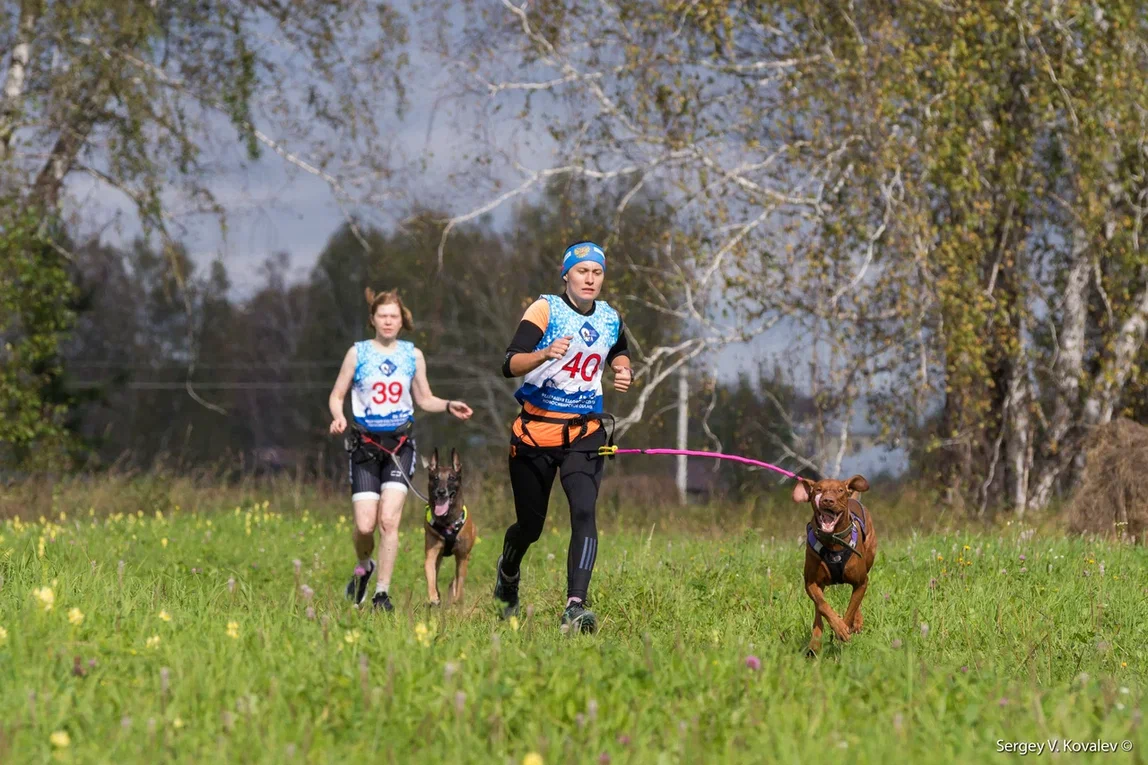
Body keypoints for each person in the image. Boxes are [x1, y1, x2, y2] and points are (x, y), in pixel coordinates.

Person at [493, 241, 633, 633]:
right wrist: (544, 353)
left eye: (597, 272)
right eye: (582, 271)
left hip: (585, 432)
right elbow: (509, 363)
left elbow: (618, 349)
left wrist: (623, 369)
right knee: (530, 527)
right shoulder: (546, 310)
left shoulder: (609, 317)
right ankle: (508, 571)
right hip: (536, 435)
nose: (590, 279)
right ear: (566, 274)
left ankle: (575, 607)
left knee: (585, 511)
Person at [328, 288, 473, 611]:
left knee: (389, 522)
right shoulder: (358, 353)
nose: (388, 321)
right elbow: (337, 395)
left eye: (394, 316)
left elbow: (424, 399)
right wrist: (338, 417)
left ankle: (382, 594)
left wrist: (448, 405)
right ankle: (365, 567)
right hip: (365, 447)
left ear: (401, 319)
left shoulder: (412, 354)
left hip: (400, 446)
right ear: (373, 320)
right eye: (383, 316)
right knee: (365, 525)